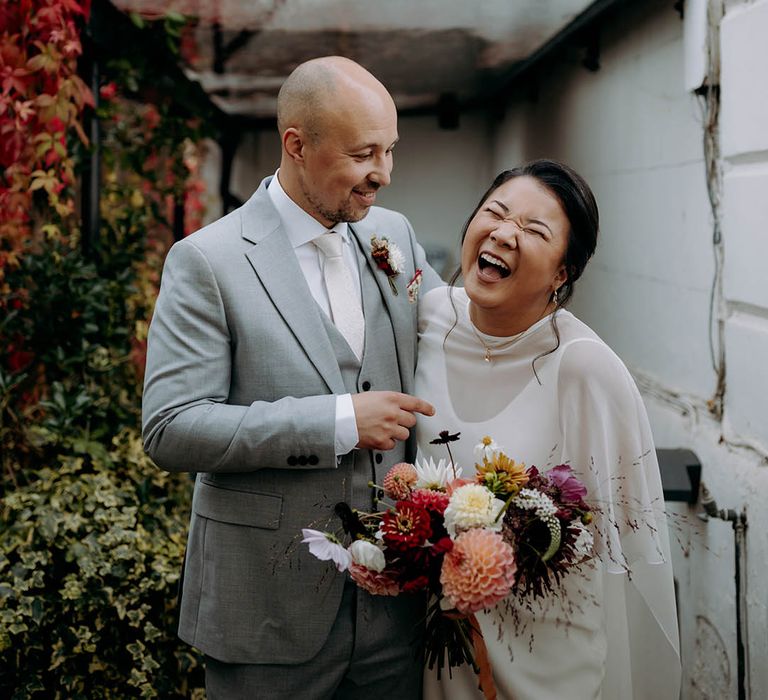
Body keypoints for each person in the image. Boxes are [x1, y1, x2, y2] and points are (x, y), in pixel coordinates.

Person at [142, 56, 443, 698]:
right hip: (266, 614)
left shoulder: (396, 236)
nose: (383, 175)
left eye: (389, 151)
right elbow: (171, 429)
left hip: (395, 614)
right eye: (365, 153)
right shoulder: (207, 261)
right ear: (296, 145)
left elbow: (458, 337)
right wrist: (336, 421)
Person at [415, 160, 681, 699]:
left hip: (544, 655)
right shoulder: (427, 318)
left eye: (535, 232)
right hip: (440, 648)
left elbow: (621, 549)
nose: (504, 234)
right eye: (495, 212)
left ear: (563, 273)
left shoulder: (584, 368)